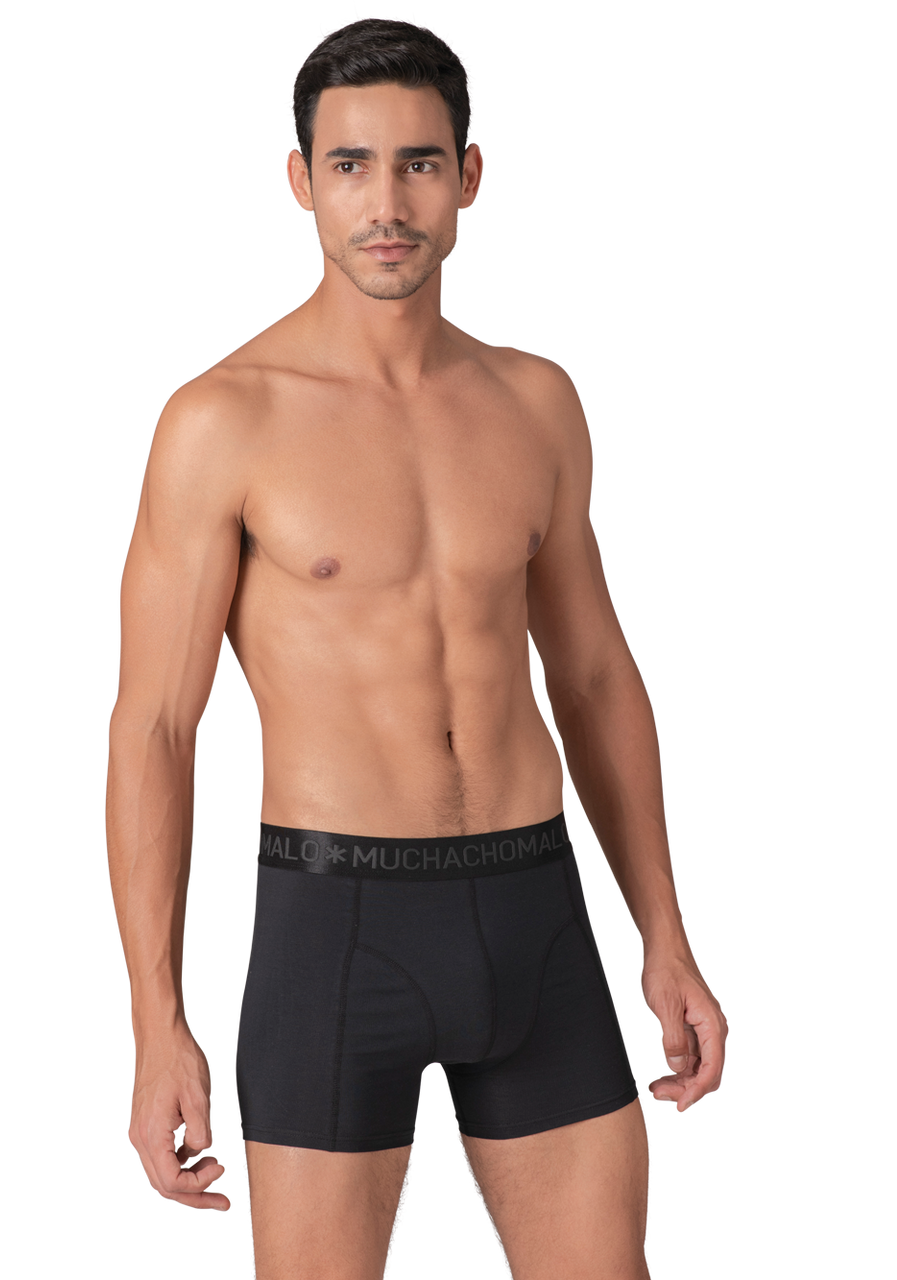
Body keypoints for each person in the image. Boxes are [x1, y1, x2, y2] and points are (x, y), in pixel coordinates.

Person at [104, 13, 729, 1279]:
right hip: (337, 927)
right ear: (301, 181)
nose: (386, 203)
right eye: (351, 165)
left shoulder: (537, 399)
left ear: (470, 175)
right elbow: (155, 727)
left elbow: (595, 675)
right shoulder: (222, 419)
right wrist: (154, 1022)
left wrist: (665, 932)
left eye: (418, 163)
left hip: (538, 909)